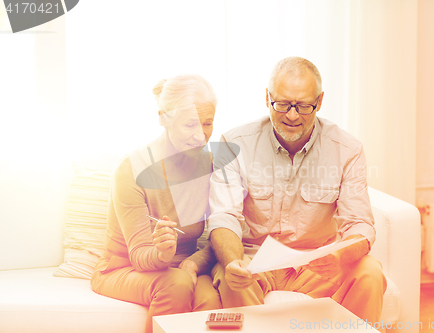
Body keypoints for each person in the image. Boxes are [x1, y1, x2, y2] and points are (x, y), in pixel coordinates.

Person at [208, 57, 387, 323]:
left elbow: (360, 225)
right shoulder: (232, 143)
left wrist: (339, 255)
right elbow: (224, 217)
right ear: (267, 97)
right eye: (282, 104)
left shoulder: (347, 149)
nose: (292, 116)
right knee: (231, 277)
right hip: (255, 261)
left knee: (370, 273)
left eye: (304, 106)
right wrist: (234, 261)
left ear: (320, 101)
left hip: (317, 264)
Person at [91, 74, 221, 333]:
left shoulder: (210, 165)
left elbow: (219, 235)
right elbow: (139, 256)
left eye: (208, 124)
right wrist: (163, 253)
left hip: (184, 267)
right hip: (124, 267)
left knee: (210, 298)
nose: (201, 136)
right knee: (177, 285)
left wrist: (194, 262)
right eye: (190, 125)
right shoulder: (131, 169)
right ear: (163, 118)